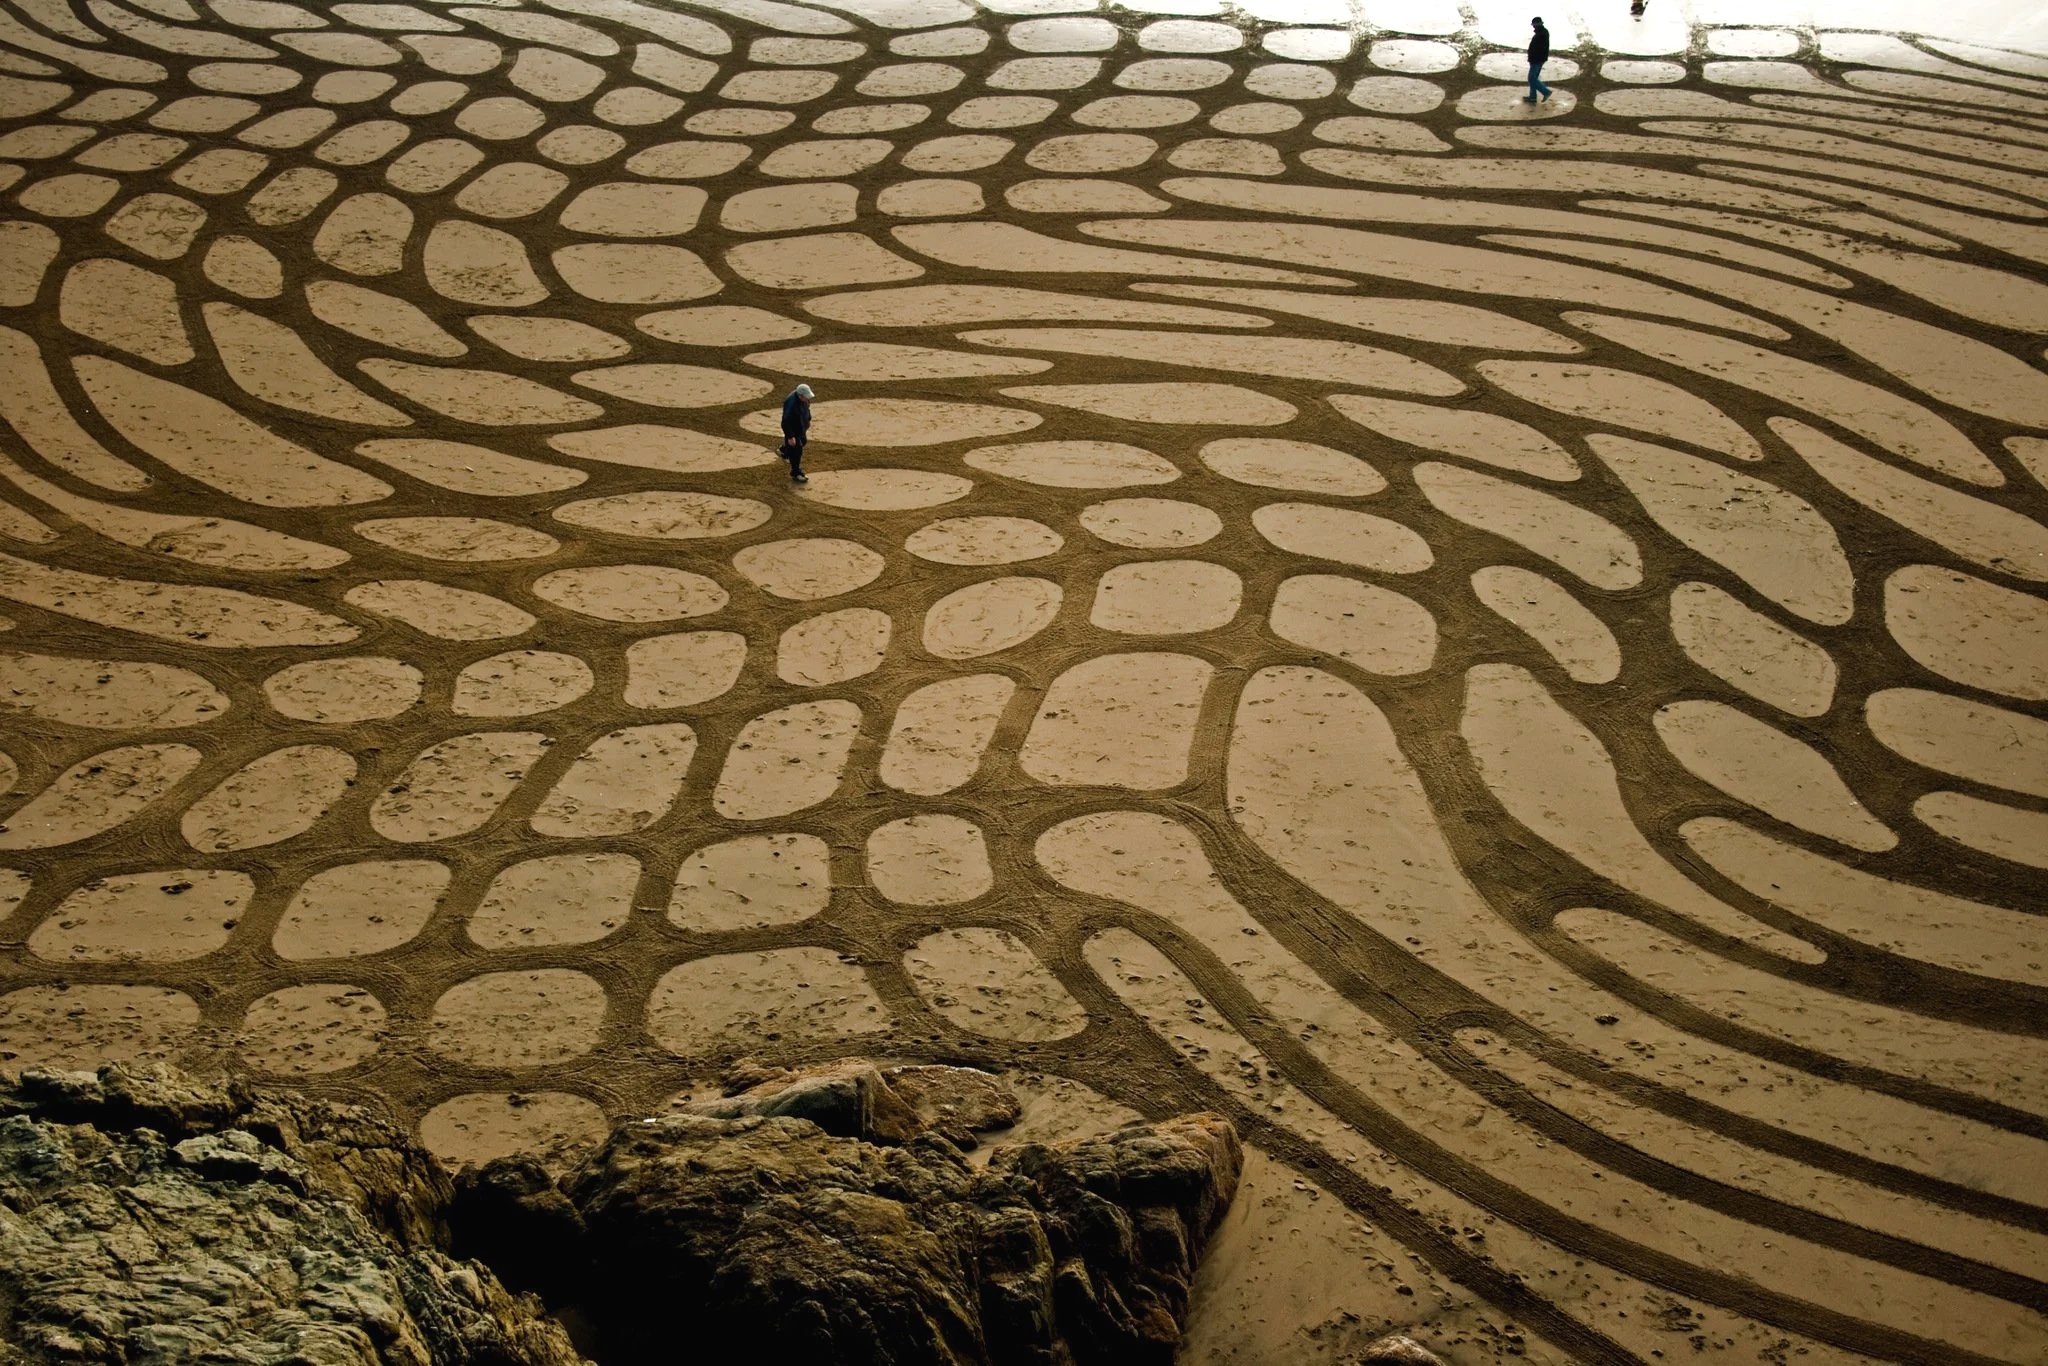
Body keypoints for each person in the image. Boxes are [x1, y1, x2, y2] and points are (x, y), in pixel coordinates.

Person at [780, 383, 812, 485]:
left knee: (803, 441)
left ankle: (784, 450)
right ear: (800, 395)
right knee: (797, 451)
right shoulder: (791, 404)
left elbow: (807, 409)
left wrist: (808, 419)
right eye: (806, 397)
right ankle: (796, 472)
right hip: (794, 431)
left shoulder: (803, 399)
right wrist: (790, 436)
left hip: (800, 428)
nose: (808, 399)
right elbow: (785, 422)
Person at [1526, 17, 1552, 103]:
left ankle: (1546, 92)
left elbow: (1538, 49)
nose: (1533, 27)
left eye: (1534, 25)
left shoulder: (1541, 34)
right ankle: (1532, 97)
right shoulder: (1542, 32)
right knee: (1534, 78)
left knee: (1532, 78)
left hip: (1537, 59)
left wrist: (1532, 57)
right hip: (1537, 59)